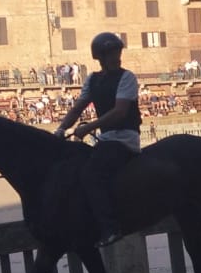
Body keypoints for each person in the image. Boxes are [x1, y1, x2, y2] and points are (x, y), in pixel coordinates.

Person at [55, 31, 142, 247]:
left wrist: (87, 128)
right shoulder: (92, 80)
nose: (117, 57)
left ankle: (111, 228)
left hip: (125, 138)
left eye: (117, 52)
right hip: (106, 139)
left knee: (91, 174)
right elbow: (77, 108)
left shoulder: (127, 77)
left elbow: (120, 112)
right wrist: (61, 129)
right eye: (112, 53)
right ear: (101, 57)